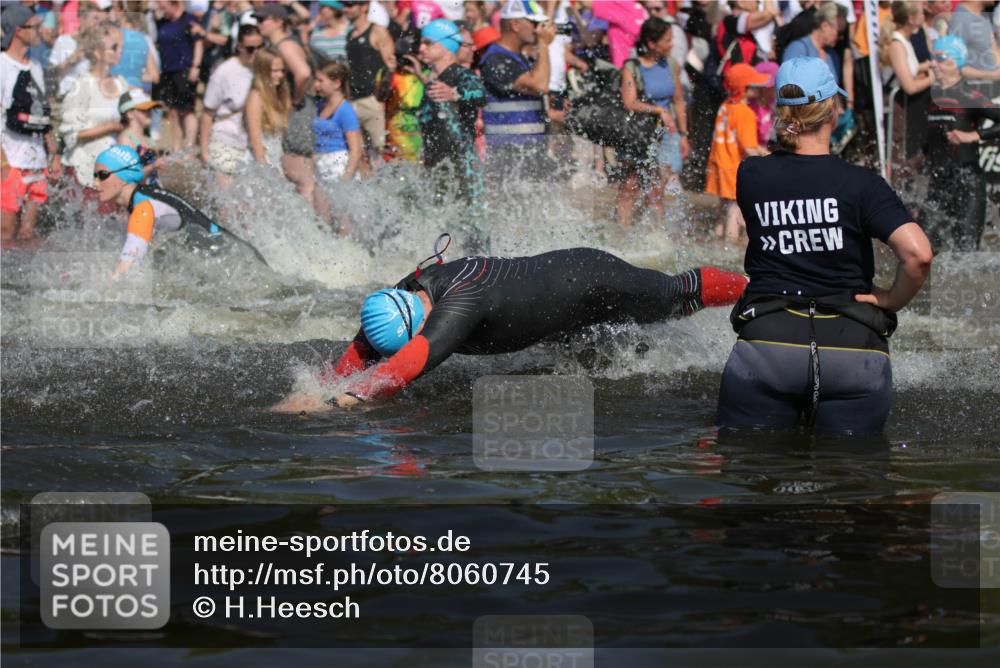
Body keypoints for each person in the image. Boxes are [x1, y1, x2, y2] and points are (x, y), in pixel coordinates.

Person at [717, 57, 933, 434]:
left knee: (750, 476)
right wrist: (891, 300)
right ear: (833, 108)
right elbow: (918, 254)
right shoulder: (862, 184)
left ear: (782, 112)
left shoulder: (751, 175)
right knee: (854, 477)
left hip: (769, 343)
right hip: (852, 350)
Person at [273, 248, 749, 410]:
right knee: (596, 351)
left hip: (588, 278)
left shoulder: (458, 306)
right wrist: (321, 386)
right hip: (554, 306)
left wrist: (344, 402)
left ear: (420, 324)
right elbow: (367, 342)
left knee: (673, 295)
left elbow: (403, 369)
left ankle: (758, 292)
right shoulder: (405, 292)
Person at [92, 144, 261, 278]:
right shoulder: (144, 196)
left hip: (239, 262)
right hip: (237, 254)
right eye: (94, 175)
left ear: (125, 176)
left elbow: (125, 273)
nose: (95, 183)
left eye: (102, 175)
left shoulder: (144, 208)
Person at [924, 35, 1000, 251]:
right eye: (932, 57)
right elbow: (935, 137)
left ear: (954, 62)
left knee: (965, 254)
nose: (932, 63)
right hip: (939, 184)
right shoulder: (934, 96)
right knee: (923, 249)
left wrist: (974, 135)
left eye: (938, 58)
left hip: (968, 185)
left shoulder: (970, 95)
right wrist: (921, 155)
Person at [616, 16, 689, 228]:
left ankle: (656, 233)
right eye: (667, 40)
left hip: (666, 134)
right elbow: (629, 102)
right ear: (651, 43)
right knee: (631, 184)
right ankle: (624, 231)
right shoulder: (631, 67)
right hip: (638, 134)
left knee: (658, 187)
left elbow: (678, 101)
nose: (671, 44)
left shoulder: (671, 65)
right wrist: (658, 110)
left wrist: (684, 135)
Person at [416, 19, 487, 231]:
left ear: (446, 44)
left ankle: (483, 264)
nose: (421, 48)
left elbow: (481, 95)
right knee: (442, 226)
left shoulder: (460, 75)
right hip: (437, 165)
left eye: (428, 43)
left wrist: (455, 94)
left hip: (461, 164)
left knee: (470, 225)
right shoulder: (433, 81)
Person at [2, 4, 58, 244]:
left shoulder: (35, 66)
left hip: (37, 163)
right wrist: (2, 161)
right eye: (35, 26)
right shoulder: (2, 65)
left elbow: (43, 113)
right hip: (10, 161)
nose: (41, 31)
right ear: (18, 31)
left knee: (27, 235)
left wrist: (53, 154)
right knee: (5, 236)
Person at [479, 0, 555, 175]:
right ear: (515, 24)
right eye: (535, 23)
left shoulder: (519, 58)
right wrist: (543, 44)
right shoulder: (495, 59)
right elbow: (540, 85)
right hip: (508, 150)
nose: (539, 30)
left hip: (530, 147)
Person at [256, 3, 319, 210]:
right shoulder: (284, 43)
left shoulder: (284, 45)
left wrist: (296, 100)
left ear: (278, 21)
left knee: (302, 173)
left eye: (262, 20)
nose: (258, 24)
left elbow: (303, 74)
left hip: (298, 111)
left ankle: (311, 224)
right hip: (298, 110)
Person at [705, 63, 770, 242]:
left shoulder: (726, 105)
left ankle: (718, 238)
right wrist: (769, 162)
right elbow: (749, 148)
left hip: (718, 163)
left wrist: (763, 151)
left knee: (723, 207)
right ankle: (730, 245)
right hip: (733, 167)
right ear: (746, 89)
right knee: (735, 207)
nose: (759, 90)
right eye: (756, 86)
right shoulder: (746, 113)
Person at [59, 24, 129, 189]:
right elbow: (71, 134)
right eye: (114, 47)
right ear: (97, 53)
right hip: (85, 168)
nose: (120, 51)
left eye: (120, 47)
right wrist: (111, 127)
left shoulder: (121, 83)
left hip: (116, 168)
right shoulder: (82, 86)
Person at [199, 24, 263, 183]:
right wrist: (204, 151)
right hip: (224, 141)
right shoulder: (224, 72)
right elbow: (207, 113)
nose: (256, 53)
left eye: (260, 47)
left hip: (248, 145)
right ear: (239, 47)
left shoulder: (262, 69)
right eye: (250, 49)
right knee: (226, 204)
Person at [880, 1, 934, 175]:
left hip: (908, 106)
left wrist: (930, 66)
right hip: (898, 106)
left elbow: (911, 68)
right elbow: (909, 86)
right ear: (911, 18)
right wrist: (933, 77)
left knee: (911, 154)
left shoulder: (906, 40)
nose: (924, 15)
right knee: (899, 154)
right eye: (920, 13)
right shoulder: (897, 44)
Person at [344, 0, 397, 170]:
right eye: (344, 5)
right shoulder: (350, 34)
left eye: (350, 5)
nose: (346, 8)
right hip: (353, 100)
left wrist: (380, 99)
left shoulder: (377, 31)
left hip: (372, 101)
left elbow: (391, 66)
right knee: (359, 154)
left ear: (364, 7)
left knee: (381, 151)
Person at [153, 0, 205, 151]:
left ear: (173, 3)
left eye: (162, 5)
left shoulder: (188, 19)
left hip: (185, 70)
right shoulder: (162, 22)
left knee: (187, 109)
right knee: (173, 111)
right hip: (168, 70)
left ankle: (189, 146)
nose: (160, 8)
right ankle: (176, 148)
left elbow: (198, 43)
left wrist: (196, 66)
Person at [313, 61, 363, 183]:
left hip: (339, 165)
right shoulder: (319, 105)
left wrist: (347, 177)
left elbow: (356, 149)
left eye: (320, 81)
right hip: (320, 164)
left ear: (336, 83)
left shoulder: (345, 110)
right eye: (316, 80)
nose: (316, 85)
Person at [379, 34, 424, 163]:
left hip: (420, 140)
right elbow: (380, 96)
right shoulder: (388, 74)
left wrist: (419, 73)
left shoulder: (425, 73)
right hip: (395, 140)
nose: (405, 61)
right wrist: (390, 72)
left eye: (410, 57)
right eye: (402, 57)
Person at [245, 46, 290, 169]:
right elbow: (255, 139)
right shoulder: (256, 96)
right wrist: (264, 167)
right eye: (275, 71)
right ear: (263, 71)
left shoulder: (280, 94)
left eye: (282, 70)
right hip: (259, 161)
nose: (280, 75)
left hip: (275, 158)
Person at [111, 0, 160, 94]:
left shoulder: (141, 39)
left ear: (121, 11)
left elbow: (154, 77)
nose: (110, 12)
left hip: (135, 96)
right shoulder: (113, 39)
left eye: (112, 8)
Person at [116, 89, 161, 183]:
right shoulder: (126, 140)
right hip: (137, 194)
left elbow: (157, 176)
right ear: (129, 114)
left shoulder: (149, 140)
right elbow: (127, 177)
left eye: (151, 109)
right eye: (144, 109)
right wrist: (153, 166)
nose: (150, 113)